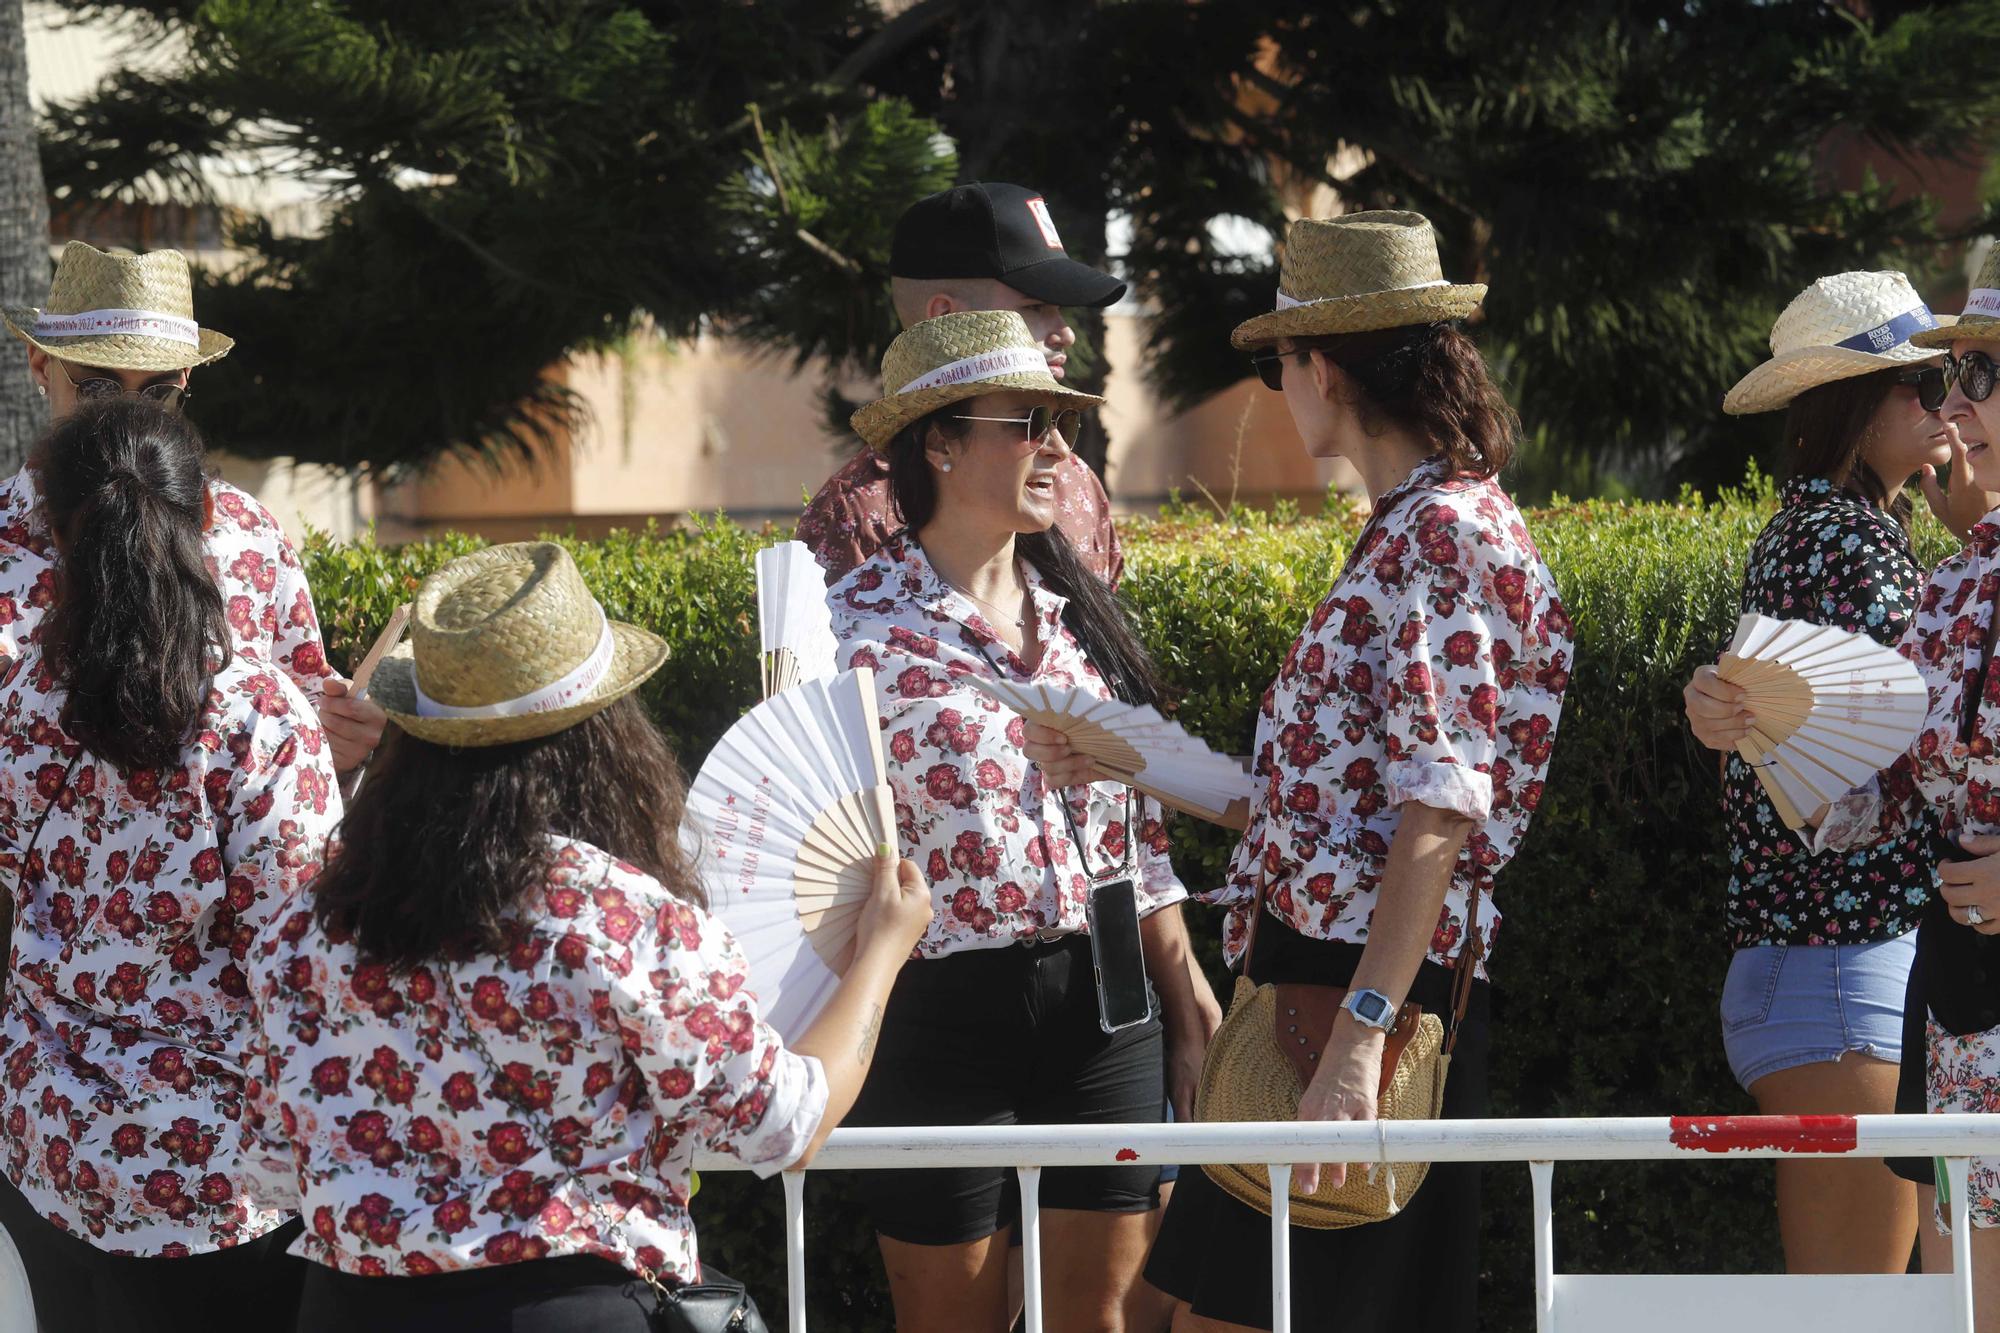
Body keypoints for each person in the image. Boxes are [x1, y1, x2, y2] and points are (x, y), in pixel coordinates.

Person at [238, 541, 934, 1332]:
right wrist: (881, 950)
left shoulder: (308, 924)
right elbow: (785, 1120)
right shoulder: (614, 916)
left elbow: (267, 1168)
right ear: (601, 732)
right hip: (565, 1310)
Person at [1088, 211, 1571, 1332]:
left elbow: (1440, 814)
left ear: (1323, 365)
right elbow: (1335, 803)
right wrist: (1133, 764)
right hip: (1330, 988)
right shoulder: (1415, 525)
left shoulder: (1439, 534)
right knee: (1172, 1310)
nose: (1275, 388)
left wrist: (1358, 1040)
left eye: (1274, 363)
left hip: (1359, 1000)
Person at [829, 309, 1193, 1332]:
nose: (1058, 447)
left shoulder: (1082, 618)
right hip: (938, 1004)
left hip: (1103, 998)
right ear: (939, 441)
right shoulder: (851, 629)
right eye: (1028, 420)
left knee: (1102, 1320)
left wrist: (1190, 1000)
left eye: (1061, 422)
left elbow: (1137, 839)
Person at [1687, 243, 2000, 1328]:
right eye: (1929, 382)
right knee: (1865, 1312)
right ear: (1855, 403)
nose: (1950, 402)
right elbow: (1897, 762)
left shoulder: (1821, 533)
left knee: (1881, 1306)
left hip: (1829, 966)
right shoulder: (1855, 546)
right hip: (1846, 963)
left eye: (1959, 377)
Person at [0, 399, 342, 1332]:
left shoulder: (21, 698)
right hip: (218, 1178)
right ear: (203, 523)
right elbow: (305, 958)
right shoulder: (258, 718)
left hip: (46, 1147)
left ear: (57, 537)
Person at [3, 240, 384, 778]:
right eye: (97, 386)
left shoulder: (249, 535)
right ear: (41, 364)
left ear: (184, 380)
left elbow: (300, 757)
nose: (126, 417)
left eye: (155, 392)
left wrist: (339, 753)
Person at [797, 181, 1126, 589]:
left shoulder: (1074, 480)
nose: (1066, 333)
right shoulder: (859, 513)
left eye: (1060, 309)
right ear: (944, 319)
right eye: (1035, 307)